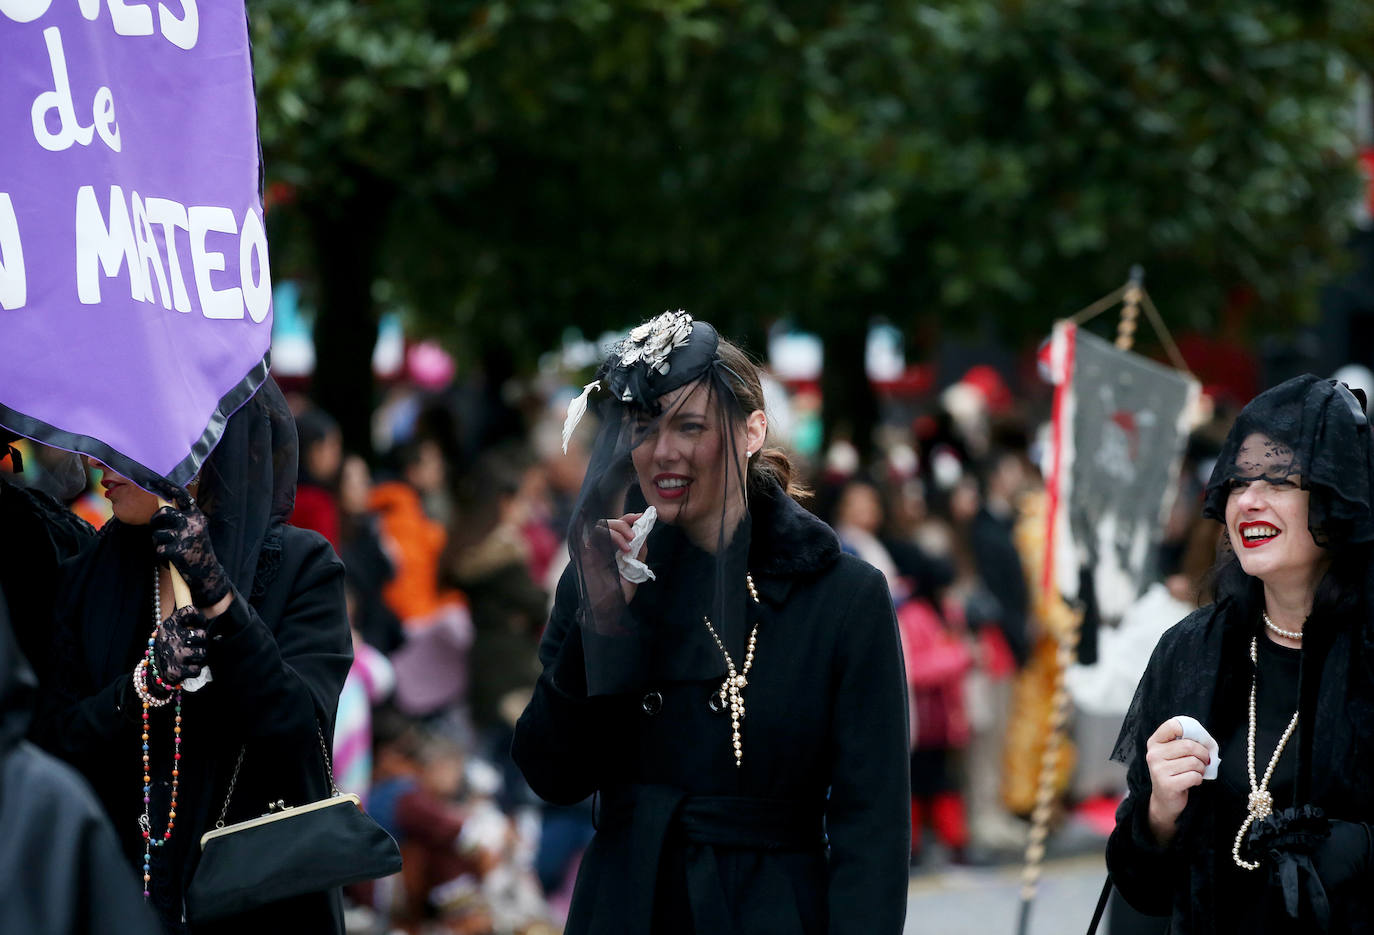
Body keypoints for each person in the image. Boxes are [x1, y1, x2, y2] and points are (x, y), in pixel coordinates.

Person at [511, 311, 910, 934]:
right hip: (627, 904)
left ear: (752, 431)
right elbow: (551, 775)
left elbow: (873, 824)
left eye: (690, 426)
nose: (663, 452)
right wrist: (604, 624)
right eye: (643, 427)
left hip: (769, 907)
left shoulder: (841, 595)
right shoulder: (603, 575)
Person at [33, 380, 353, 934]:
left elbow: (300, 735)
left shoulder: (302, 567)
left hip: (263, 907)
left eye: (125, 434)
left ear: (201, 444)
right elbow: (57, 746)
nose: (95, 457)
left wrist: (219, 597)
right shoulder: (88, 577)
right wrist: (144, 686)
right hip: (123, 903)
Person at [1108, 375, 1374, 933]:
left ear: (1334, 494)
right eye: (1238, 481)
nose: (1249, 500)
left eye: (1279, 481)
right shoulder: (1191, 650)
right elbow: (1143, 891)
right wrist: (1158, 811)